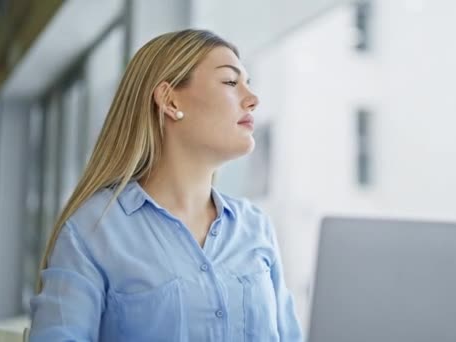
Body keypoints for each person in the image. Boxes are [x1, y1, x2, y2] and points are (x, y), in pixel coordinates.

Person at [29, 29, 303, 342]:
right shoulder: (92, 231)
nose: (252, 99)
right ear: (170, 100)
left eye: (248, 84)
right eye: (230, 82)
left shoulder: (256, 227)